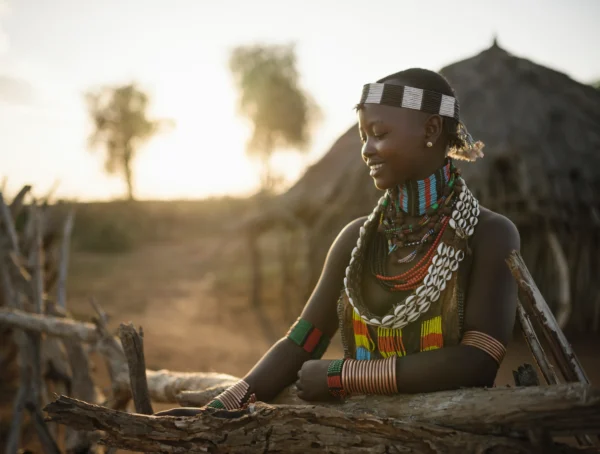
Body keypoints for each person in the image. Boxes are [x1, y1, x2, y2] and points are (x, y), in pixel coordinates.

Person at [156, 68, 520, 415]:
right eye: (364, 137)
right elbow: (302, 341)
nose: (367, 150)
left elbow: (479, 361)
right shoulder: (357, 242)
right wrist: (218, 409)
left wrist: (343, 375)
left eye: (379, 133)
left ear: (431, 128)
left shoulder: (488, 235)